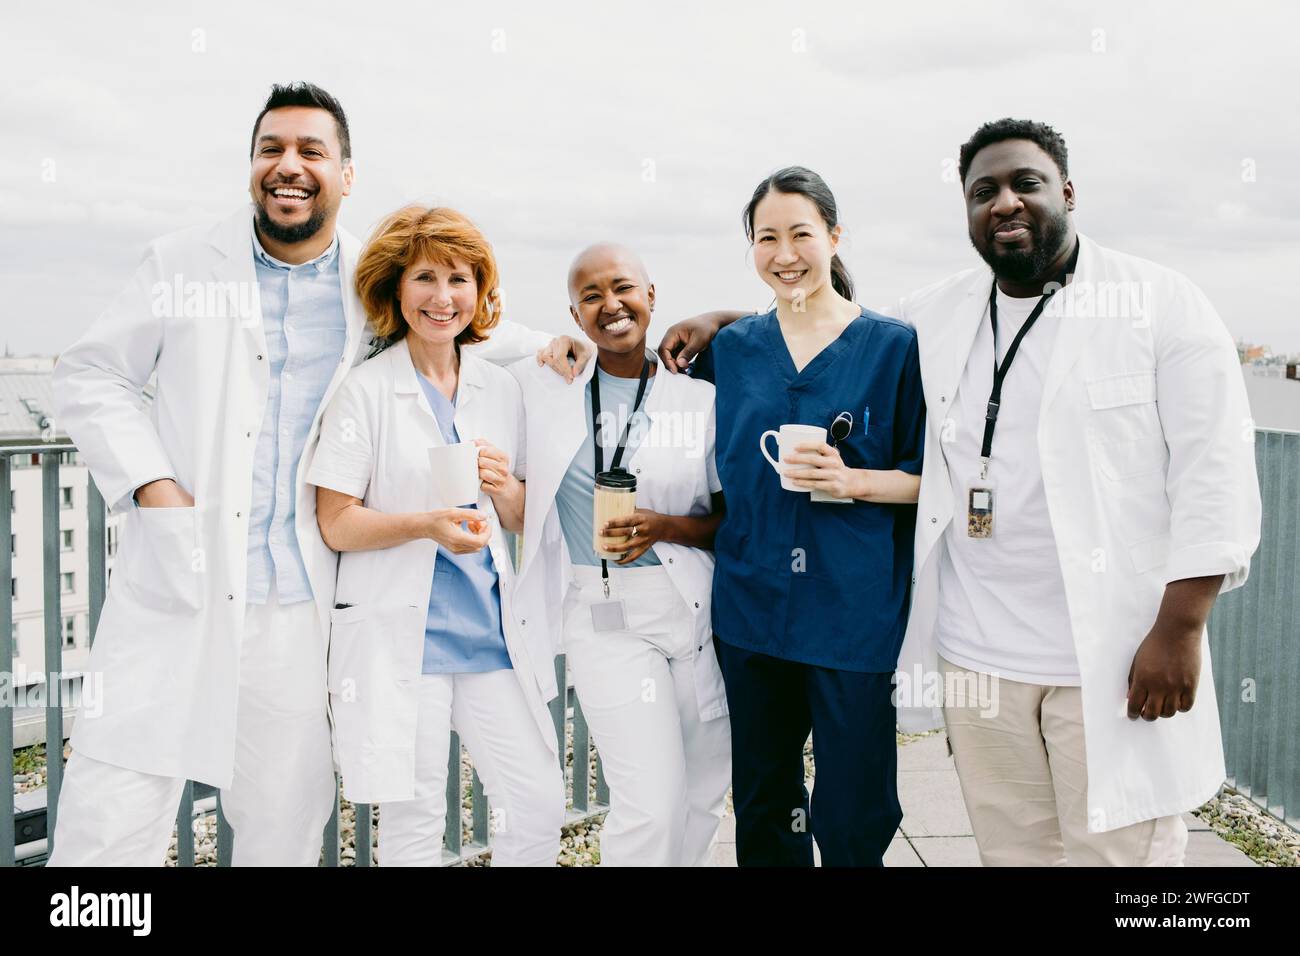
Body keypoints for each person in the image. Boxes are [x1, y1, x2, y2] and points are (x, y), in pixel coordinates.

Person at [662, 124, 1262, 867]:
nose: (1005, 203)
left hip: (1108, 649)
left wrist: (1182, 627)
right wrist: (720, 320)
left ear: (1067, 192)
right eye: (984, 192)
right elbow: (807, 318)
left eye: (1026, 184)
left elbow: (1216, 477)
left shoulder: (1161, 303)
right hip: (983, 650)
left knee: (1117, 853)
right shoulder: (939, 312)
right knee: (1013, 849)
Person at [47, 82, 588, 866]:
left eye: (312, 152)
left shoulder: (368, 283)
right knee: (113, 813)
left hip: (298, 603)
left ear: (346, 173)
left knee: (283, 820)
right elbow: (91, 376)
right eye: (272, 150)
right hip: (179, 578)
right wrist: (156, 491)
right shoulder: (181, 263)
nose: (289, 167)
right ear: (251, 167)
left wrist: (551, 346)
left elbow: (453, 319)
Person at [308, 205, 563, 866]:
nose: (443, 297)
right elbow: (335, 523)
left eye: (459, 279)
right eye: (425, 278)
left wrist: (504, 485)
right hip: (402, 641)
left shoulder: (499, 387)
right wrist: (425, 524)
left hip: (488, 636)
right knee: (415, 826)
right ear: (396, 290)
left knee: (536, 800)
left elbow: (516, 516)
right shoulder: (364, 393)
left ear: (480, 292)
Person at [688, 168, 926, 866]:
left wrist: (852, 480)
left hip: (852, 610)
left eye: (801, 233)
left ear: (833, 236)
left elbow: (930, 480)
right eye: (767, 237)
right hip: (751, 606)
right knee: (764, 801)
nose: (784, 252)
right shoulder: (731, 351)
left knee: (853, 808)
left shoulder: (893, 348)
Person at [509, 243, 731, 866]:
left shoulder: (700, 401)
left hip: (694, 611)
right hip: (604, 617)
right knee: (649, 802)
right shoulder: (546, 385)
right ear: (574, 314)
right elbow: (466, 335)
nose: (611, 305)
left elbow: (730, 522)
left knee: (704, 793)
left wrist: (665, 527)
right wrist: (545, 342)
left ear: (652, 296)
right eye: (591, 296)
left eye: (623, 287)